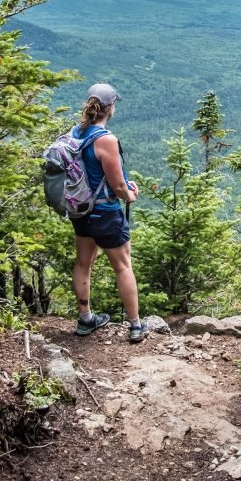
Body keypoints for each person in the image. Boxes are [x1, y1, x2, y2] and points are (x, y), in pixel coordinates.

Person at [69, 82, 147, 343]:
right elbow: (117, 186)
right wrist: (131, 194)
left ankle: (85, 319)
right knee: (123, 266)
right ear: (110, 108)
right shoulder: (106, 140)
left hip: (80, 211)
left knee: (83, 264)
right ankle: (135, 325)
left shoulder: (76, 133)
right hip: (105, 213)